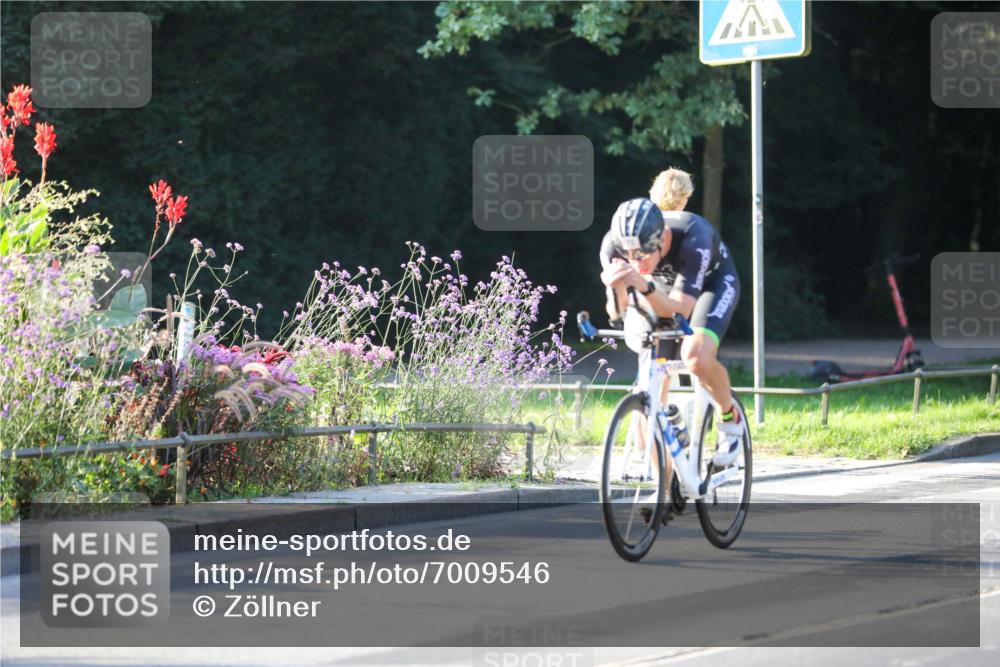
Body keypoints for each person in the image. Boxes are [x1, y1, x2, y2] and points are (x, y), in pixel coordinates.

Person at [599, 169, 742, 467]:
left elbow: (678, 310)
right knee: (650, 384)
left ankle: (731, 418)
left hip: (708, 287)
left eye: (643, 256)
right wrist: (616, 286)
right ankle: (665, 488)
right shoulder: (614, 246)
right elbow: (618, 312)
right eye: (630, 257)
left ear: (662, 240)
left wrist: (641, 283)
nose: (636, 262)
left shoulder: (694, 238)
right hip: (662, 288)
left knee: (695, 356)